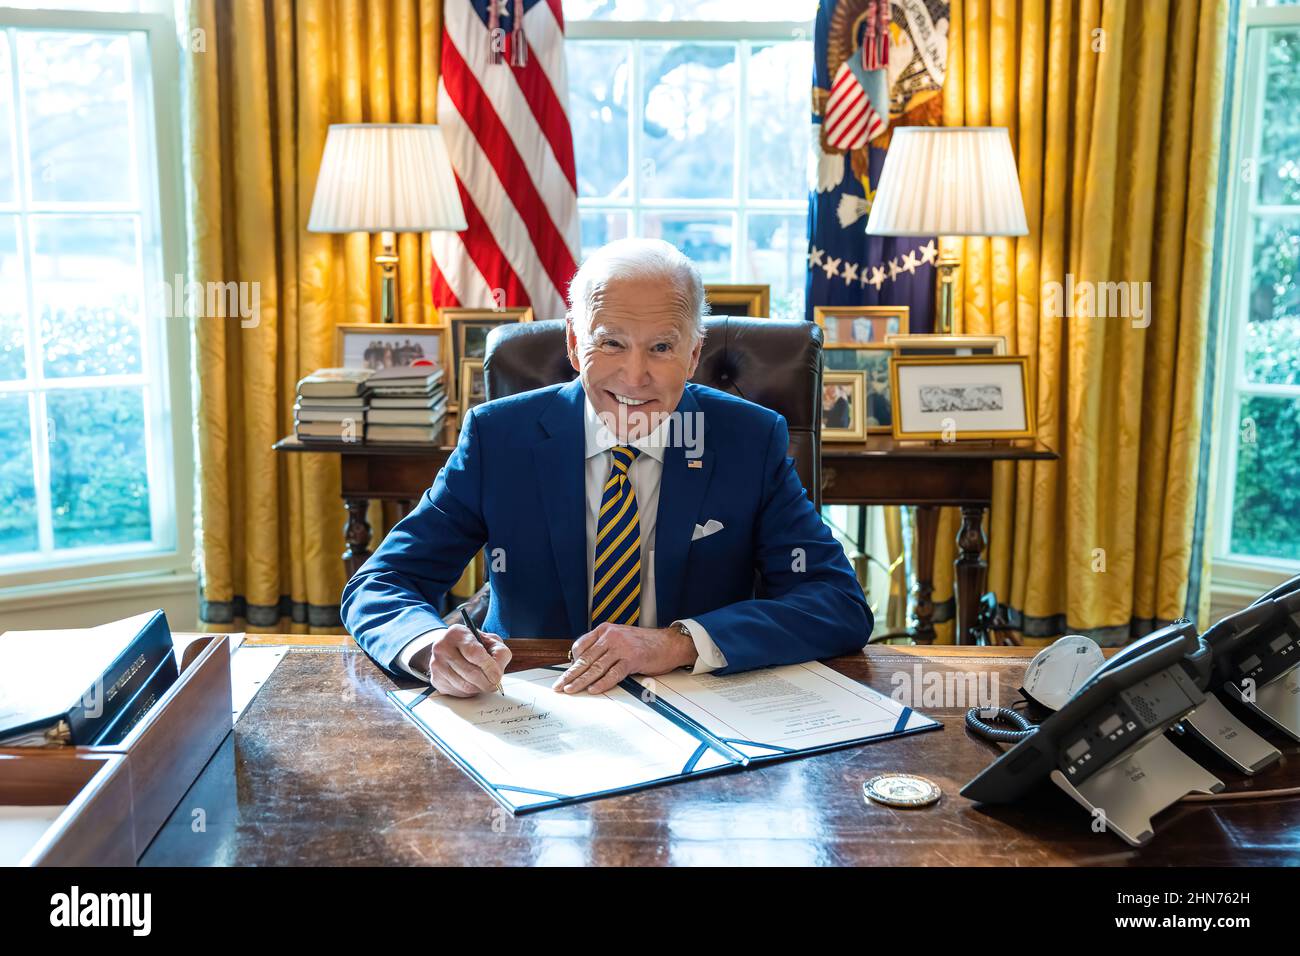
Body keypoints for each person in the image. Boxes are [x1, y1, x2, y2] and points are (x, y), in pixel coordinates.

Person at [341, 238, 873, 697]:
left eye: (662, 347)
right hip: (528, 702)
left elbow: (835, 602)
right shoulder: (498, 438)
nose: (635, 376)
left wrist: (678, 642)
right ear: (575, 343)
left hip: (697, 704)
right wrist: (428, 644)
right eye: (611, 343)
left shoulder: (748, 440)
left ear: (693, 355)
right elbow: (383, 581)